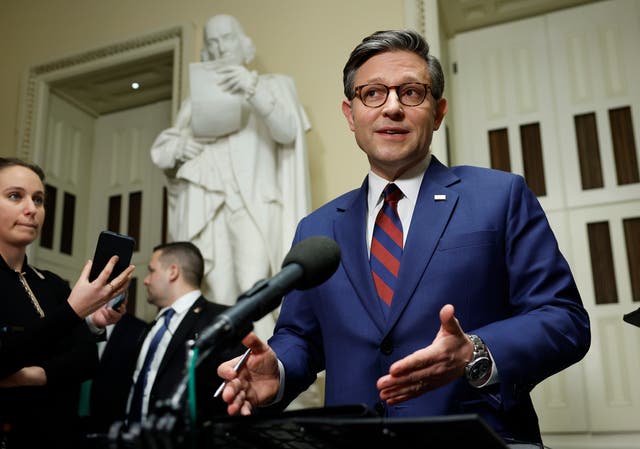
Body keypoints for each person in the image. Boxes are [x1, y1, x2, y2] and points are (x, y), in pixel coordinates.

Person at [216, 30, 591, 447]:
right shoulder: (318, 228)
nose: (391, 107)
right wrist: (279, 369)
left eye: (411, 92)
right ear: (350, 113)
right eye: (373, 93)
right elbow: (301, 337)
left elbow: (564, 319)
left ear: (438, 111)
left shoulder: (499, 197)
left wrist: (476, 352)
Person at [150, 14, 310, 341]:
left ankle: (265, 371)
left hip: (252, 202)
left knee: (255, 288)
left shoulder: (273, 85)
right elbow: (164, 153)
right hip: (208, 207)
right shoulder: (194, 102)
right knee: (215, 292)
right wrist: (183, 145)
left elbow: (287, 132)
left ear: (244, 44)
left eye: (227, 38)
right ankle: (220, 373)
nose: (220, 48)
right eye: (212, 42)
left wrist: (252, 90)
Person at [0, 157, 135, 448]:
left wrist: (32, 376)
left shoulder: (52, 284)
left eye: (39, 200)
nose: (31, 209)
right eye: (15, 196)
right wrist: (73, 312)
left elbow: (86, 360)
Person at [123, 242, 243, 425]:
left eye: (151, 270)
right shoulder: (150, 328)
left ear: (173, 272)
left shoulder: (222, 320)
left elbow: (233, 392)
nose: (145, 280)